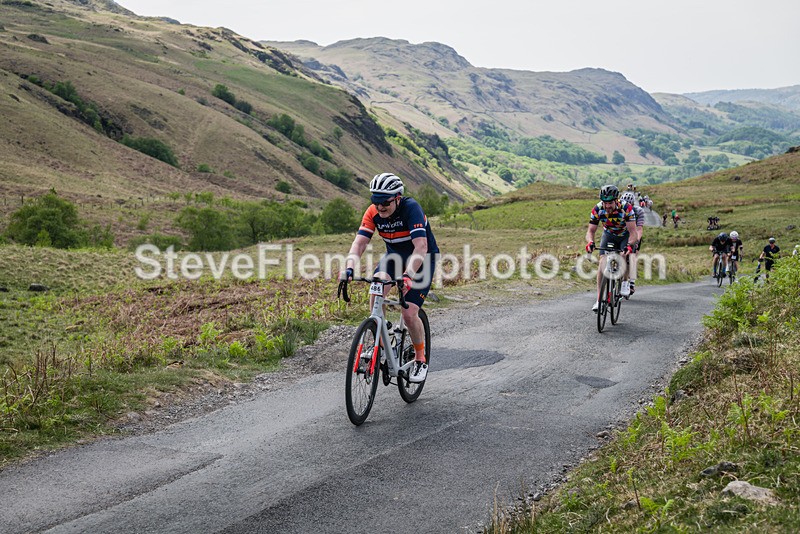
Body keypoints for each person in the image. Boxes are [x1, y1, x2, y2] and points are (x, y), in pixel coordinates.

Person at [340, 173, 439, 383]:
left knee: (409, 312)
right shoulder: (373, 212)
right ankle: (382, 342)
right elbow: (359, 244)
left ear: (397, 197)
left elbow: (421, 247)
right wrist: (349, 268)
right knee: (376, 287)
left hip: (421, 259)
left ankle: (420, 359)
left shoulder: (411, 208)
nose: (380, 207)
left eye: (385, 202)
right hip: (394, 257)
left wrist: (408, 276)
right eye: (375, 201)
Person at [585, 184, 638, 312]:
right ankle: (599, 300)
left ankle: (625, 282)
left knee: (623, 256)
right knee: (602, 263)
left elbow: (633, 233)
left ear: (616, 200)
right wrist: (590, 242)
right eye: (605, 203)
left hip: (624, 235)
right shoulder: (597, 209)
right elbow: (590, 231)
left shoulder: (626, 208)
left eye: (610, 203)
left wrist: (630, 246)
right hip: (608, 234)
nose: (607, 206)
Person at [620, 191, 645, 296]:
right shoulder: (617, 209)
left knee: (632, 257)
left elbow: (639, 229)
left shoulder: (638, 211)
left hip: (634, 234)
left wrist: (637, 240)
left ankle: (631, 283)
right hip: (622, 234)